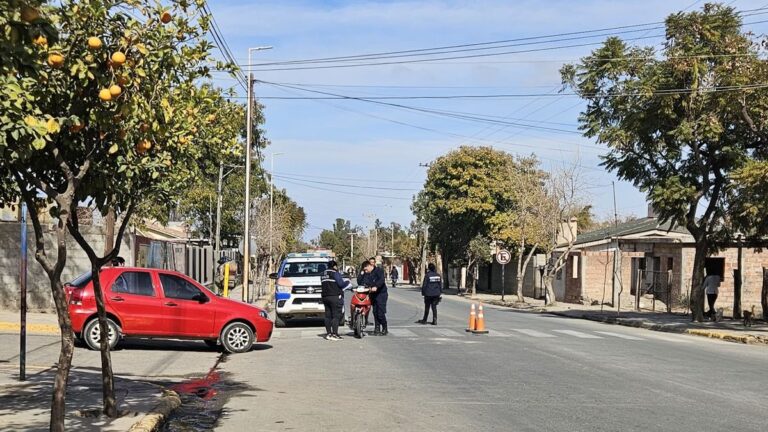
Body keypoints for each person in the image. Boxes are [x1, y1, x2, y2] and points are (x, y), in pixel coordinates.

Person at [320, 260, 350, 341]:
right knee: (336, 316)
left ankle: (328, 333)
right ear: (334, 266)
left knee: (327, 316)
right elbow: (341, 284)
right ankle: (335, 334)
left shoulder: (323, 274)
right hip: (335, 297)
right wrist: (347, 282)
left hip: (325, 297)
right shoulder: (335, 273)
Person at [367, 257, 389, 336]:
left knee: (380, 313)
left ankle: (384, 328)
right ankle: (377, 328)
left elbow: (381, 280)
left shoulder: (379, 271)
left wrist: (376, 286)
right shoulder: (368, 273)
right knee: (375, 312)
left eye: (367, 268)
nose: (366, 269)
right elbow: (365, 282)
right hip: (373, 295)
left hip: (381, 294)